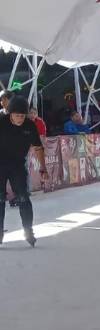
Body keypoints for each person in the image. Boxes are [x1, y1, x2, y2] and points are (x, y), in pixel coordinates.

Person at [0, 97, 48, 246]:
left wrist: (43, 168)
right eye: (17, 116)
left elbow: (38, 147)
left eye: (22, 116)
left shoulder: (30, 125)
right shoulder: (1, 121)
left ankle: (28, 230)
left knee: (23, 198)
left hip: (18, 165)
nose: (20, 119)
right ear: (10, 114)